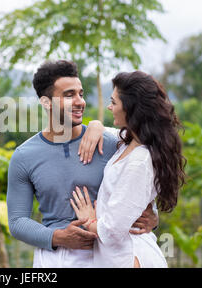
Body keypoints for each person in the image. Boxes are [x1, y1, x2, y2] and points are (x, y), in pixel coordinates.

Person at [6, 61, 158, 268]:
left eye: (81, 93)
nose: (80, 102)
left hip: (107, 255)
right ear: (46, 102)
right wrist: (58, 237)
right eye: (69, 95)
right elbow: (17, 222)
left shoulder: (112, 143)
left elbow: (139, 187)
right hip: (55, 259)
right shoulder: (24, 156)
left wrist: (153, 217)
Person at [70, 71, 186, 267]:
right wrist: (96, 125)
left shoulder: (139, 161)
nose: (109, 107)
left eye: (114, 102)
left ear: (131, 108)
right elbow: (109, 133)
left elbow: (114, 230)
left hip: (129, 257)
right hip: (119, 256)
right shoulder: (130, 143)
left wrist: (89, 221)